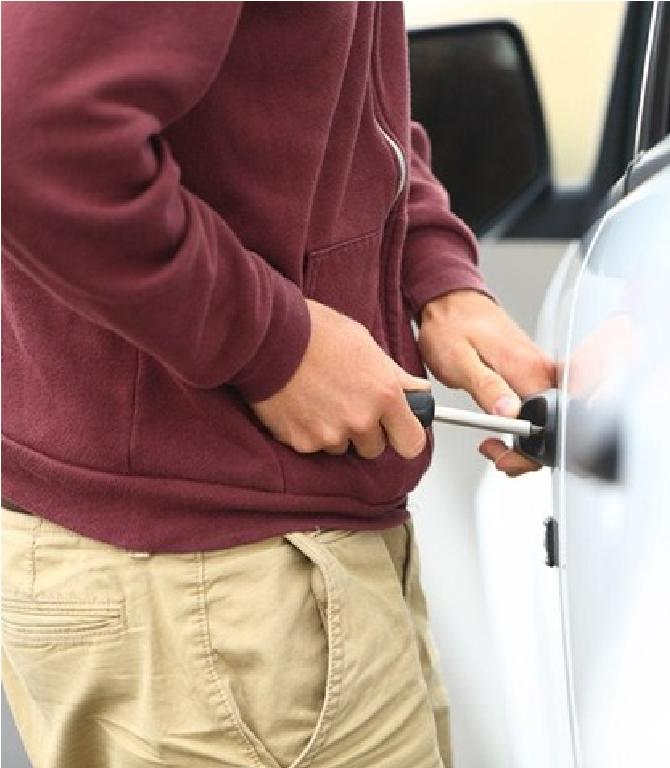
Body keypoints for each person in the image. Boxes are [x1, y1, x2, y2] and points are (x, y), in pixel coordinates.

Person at [0, 4, 554, 767]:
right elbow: (36, 134)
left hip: (250, 583)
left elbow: (336, 96)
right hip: (224, 590)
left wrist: (433, 271)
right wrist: (273, 345)